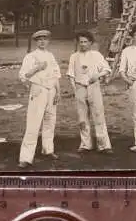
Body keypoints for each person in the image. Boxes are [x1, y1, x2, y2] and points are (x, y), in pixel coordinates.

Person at [18, 30, 61, 168]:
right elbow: (23, 76)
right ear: (36, 41)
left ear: (48, 41)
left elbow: (56, 75)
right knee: (34, 122)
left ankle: (48, 150)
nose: (42, 41)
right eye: (39, 39)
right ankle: (26, 157)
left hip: (51, 90)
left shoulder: (51, 55)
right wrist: (37, 68)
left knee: (50, 120)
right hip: (38, 89)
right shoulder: (30, 56)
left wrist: (58, 92)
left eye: (45, 39)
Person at [67, 31, 113, 154]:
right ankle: (85, 144)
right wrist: (75, 88)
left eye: (85, 42)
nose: (83, 44)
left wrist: (97, 75)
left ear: (90, 43)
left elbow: (107, 69)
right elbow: (71, 74)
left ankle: (103, 145)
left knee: (98, 115)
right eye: (80, 42)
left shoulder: (96, 55)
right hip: (80, 87)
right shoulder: (74, 56)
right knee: (82, 117)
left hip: (93, 86)